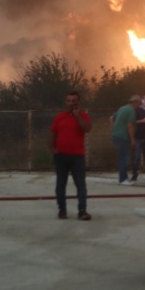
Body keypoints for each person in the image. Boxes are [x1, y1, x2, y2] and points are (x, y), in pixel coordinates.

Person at [49, 91, 93, 220]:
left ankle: (82, 211)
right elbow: (52, 134)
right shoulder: (59, 117)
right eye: (68, 101)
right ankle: (62, 211)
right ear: (65, 102)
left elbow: (87, 129)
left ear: (78, 102)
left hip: (77, 156)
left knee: (80, 184)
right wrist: (53, 150)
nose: (71, 103)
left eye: (74, 101)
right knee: (61, 184)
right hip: (61, 156)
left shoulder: (84, 116)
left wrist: (77, 115)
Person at [111, 95, 141, 185]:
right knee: (124, 158)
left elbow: (111, 118)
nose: (138, 106)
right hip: (123, 137)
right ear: (135, 103)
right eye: (138, 104)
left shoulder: (122, 108)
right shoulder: (131, 111)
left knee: (121, 157)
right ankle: (123, 179)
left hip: (116, 136)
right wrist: (132, 139)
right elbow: (130, 125)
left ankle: (123, 177)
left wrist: (114, 129)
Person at [131, 94, 145, 182]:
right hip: (138, 137)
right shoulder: (137, 110)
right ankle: (134, 175)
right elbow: (133, 122)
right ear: (143, 101)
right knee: (136, 157)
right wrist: (142, 121)